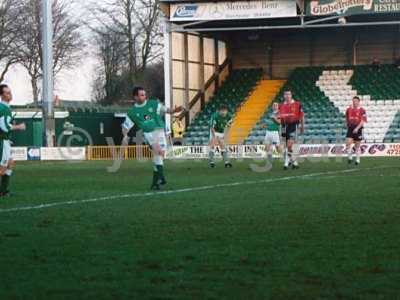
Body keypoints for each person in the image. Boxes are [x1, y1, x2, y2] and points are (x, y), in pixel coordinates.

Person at [122, 87, 184, 190]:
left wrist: (176, 110)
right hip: (149, 133)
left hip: (160, 131)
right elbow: (125, 127)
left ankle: (155, 183)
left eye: (144, 94)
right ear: (135, 97)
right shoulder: (132, 112)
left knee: (159, 156)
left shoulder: (153, 104)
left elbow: (168, 110)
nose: (144, 96)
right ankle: (162, 177)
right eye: (141, 95)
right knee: (159, 152)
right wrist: (125, 135)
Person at [0, 84, 26, 197]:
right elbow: (4, 126)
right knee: (2, 169)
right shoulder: (3, 108)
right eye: (7, 93)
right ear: (1, 95)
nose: (10, 94)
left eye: (10, 92)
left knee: (10, 164)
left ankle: (4, 191)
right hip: (2, 141)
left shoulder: (5, 108)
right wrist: (19, 127)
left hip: (5, 141)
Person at [278, 90, 304, 170]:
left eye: (289, 94)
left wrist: (302, 126)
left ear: (291, 95)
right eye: (285, 94)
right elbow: (280, 118)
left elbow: (302, 116)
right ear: (284, 96)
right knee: (286, 145)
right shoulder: (281, 105)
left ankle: (286, 162)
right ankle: (294, 162)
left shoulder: (297, 104)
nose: (287, 95)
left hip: (293, 125)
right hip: (284, 126)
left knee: (289, 145)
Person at [345, 96, 367, 165]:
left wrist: (357, 128)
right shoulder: (348, 109)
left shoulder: (362, 110)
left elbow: (363, 121)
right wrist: (347, 125)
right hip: (351, 128)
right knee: (348, 143)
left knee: (357, 146)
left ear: (358, 102)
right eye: (353, 101)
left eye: (356, 101)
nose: (354, 102)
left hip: (359, 129)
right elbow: (346, 118)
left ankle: (357, 159)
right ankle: (350, 156)